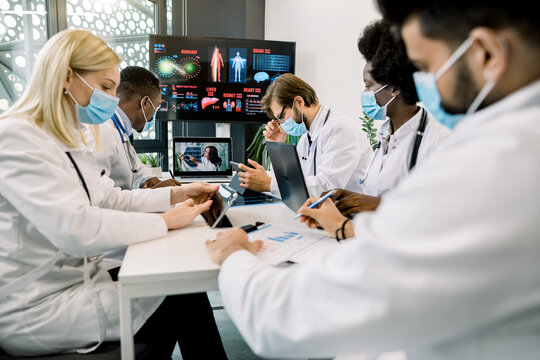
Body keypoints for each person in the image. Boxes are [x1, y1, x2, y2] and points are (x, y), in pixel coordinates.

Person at [205, 0, 540, 358]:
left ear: (487, 54)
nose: (420, 83)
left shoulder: (498, 164)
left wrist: (235, 255)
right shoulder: (509, 150)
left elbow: (285, 320)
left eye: (425, 67)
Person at [0, 29, 227, 359]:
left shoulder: (68, 137)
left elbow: (111, 198)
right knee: (179, 296)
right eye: (106, 87)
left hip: (76, 279)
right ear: (66, 76)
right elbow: (76, 230)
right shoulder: (17, 136)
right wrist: (164, 222)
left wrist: (179, 196)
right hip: (36, 305)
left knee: (180, 290)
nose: (112, 97)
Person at [329, 19, 452, 216]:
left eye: (368, 85)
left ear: (394, 88)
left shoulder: (437, 140)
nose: (365, 92)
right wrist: (351, 199)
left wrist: (377, 205)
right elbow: (376, 191)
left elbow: (438, 211)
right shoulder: (386, 133)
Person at [237, 73, 372, 197]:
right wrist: (277, 146)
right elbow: (294, 182)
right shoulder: (306, 138)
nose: (282, 123)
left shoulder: (339, 129)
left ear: (299, 102)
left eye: (282, 116)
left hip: (348, 216)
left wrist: (268, 184)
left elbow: (328, 187)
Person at [95, 66, 179, 190]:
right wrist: (164, 196)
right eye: (156, 107)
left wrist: (149, 180)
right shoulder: (104, 131)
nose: (153, 115)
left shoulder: (122, 131)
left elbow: (135, 167)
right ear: (145, 103)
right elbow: (103, 197)